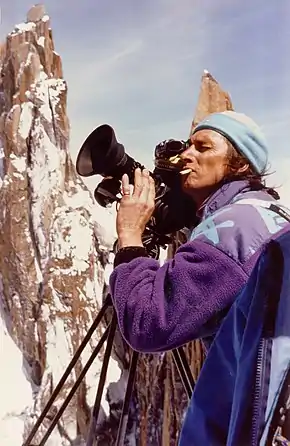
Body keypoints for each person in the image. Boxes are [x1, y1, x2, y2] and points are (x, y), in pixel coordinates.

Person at [108, 110, 290, 353]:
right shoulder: (265, 211)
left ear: (240, 163)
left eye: (203, 148)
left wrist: (130, 236)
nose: (186, 155)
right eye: (188, 146)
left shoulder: (231, 230)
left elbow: (147, 325)